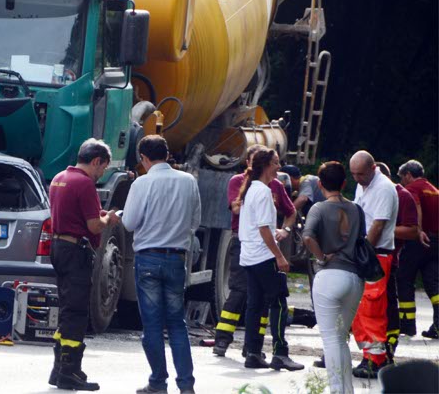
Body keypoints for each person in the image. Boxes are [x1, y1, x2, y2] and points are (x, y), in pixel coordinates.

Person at [118, 135, 200, 394]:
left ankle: (157, 383)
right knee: (177, 323)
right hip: (177, 258)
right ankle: (186, 386)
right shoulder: (189, 181)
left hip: (148, 259)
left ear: (143, 158)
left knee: (152, 325)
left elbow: (129, 223)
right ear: (167, 154)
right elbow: (195, 223)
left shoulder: (142, 183)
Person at [214, 145, 304, 357]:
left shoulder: (272, 186)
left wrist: (285, 230)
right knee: (240, 290)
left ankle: (252, 347)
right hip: (247, 243)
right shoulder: (243, 184)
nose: (278, 167)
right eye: (274, 163)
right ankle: (223, 339)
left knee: (260, 299)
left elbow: (290, 212)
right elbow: (239, 211)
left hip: (265, 245)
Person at [47, 138, 117, 391]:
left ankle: (59, 370)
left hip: (58, 247)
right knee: (76, 311)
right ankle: (69, 371)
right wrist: (109, 219)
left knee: (67, 307)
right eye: (104, 168)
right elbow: (92, 226)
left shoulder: (59, 177)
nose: (101, 174)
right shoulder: (85, 183)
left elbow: (73, 214)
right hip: (75, 249)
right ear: (96, 161)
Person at [238, 148, 304, 371]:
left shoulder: (250, 189)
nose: (279, 167)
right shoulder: (264, 192)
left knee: (254, 306)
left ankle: (253, 353)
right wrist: (280, 256)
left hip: (248, 256)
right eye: (276, 163)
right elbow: (265, 229)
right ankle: (280, 353)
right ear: (266, 165)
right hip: (263, 256)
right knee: (278, 303)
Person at [303, 161, 365, 393]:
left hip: (329, 276)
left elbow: (308, 237)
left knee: (330, 341)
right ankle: (346, 390)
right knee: (341, 340)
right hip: (354, 278)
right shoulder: (356, 209)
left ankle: (337, 391)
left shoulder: (318, 208)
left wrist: (321, 257)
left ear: (320, 184)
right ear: (344, 183)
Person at [349, 150, 398, 378]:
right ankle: (369, 356)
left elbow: (377, 226)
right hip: (368, 252)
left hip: (375, 254)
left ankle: (376, 360)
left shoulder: (384, 188)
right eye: (353, 174)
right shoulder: (364, 183)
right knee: (362, 308)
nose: (356, 179)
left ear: (372, 169)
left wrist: (362, 253)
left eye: (360, 174)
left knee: (373, 308)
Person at [377, 162, 419, 362]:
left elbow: (412, 230)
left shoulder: (403, 196)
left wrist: (380, 229)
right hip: (369, 259)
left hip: (390, 258)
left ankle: (389, 345)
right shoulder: (368, 193)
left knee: (389, 303)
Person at [397, 159, 439, 339]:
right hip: (436, 242)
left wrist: (418, 231)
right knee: (433, 283)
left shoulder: (413, 189)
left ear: (408, 175)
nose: (402, 182)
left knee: (404, 279)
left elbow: (416, 207)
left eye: (402, 177)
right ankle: (438, 325)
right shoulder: (434, 190)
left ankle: (407, 325)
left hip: (419, 241)